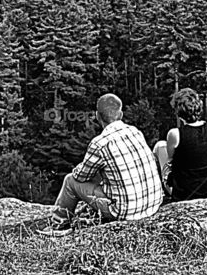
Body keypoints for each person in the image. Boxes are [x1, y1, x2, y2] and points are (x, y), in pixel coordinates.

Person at [40, 93, 164, 237]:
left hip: (126, 211)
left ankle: (58, 225)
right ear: (121, 114)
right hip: (153, 203)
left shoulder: (100, 143)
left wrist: (80, 169)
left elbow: (80, 176)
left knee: (70, 181)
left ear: (97, 116)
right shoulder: (135, 131)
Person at [152, 88, 207, 203]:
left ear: (178, 112)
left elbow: (170, 159)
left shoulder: (175, 134)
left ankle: (158, 190)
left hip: (185, 193)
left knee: (160, 146)